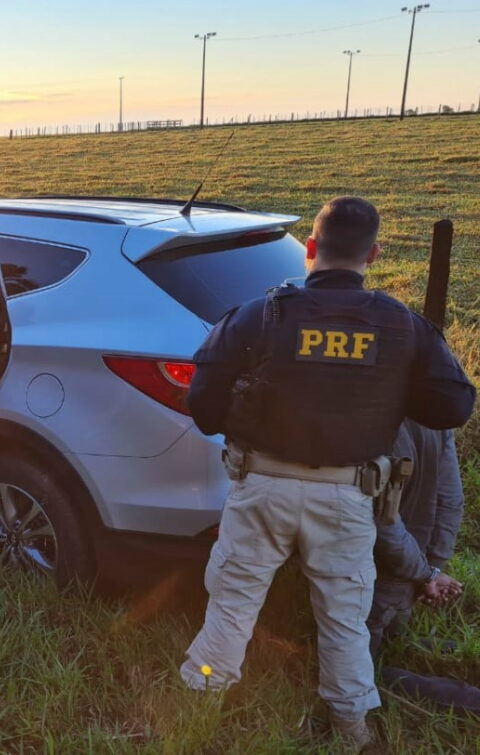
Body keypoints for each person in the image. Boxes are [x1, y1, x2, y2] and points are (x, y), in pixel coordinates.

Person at [178, 196, 475, 749]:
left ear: (311, 249)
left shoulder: (260, 313)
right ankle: (352, 728)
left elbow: (202, 404)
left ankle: (200, 704)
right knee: (343, 620)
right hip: (347, 498)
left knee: (234, 604)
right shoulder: (402, 325)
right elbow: (453, 407)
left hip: (259, 488)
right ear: (375, 253)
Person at [370, 420, 480, 713]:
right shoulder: (435, 407)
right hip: (406, 585)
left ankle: (469, 699)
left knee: (354, 672)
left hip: (377, 580)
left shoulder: (374, 410)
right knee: (394, 639)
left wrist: (427, 573)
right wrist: (433, 567)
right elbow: (451, 499)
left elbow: (382, 523)